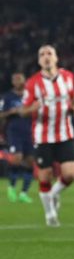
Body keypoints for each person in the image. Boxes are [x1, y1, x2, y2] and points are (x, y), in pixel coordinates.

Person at [18, 45, 74, 226]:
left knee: (71, 174)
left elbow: (73, 98)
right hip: (43, 136)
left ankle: (54, 194)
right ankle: (50, 215)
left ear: (56, 58)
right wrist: (32, 108)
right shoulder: (32, 83)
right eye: (42, 54)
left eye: (49, 53)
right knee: (45, 175)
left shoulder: (68, 77)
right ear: (39, 61)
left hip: (65, 133)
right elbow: (22, 111)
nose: (46, 57)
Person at [0, 72, 36, 204]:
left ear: (24, 81)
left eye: (19, 79)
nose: (17, 81)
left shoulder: (30, 96)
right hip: (14, 132)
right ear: (12, 82)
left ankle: (24, 193)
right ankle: (11, 187)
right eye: (15, 79)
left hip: (29, 132)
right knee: (17, 159)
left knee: (30, 162)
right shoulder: (7, 97)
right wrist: (11, 112)